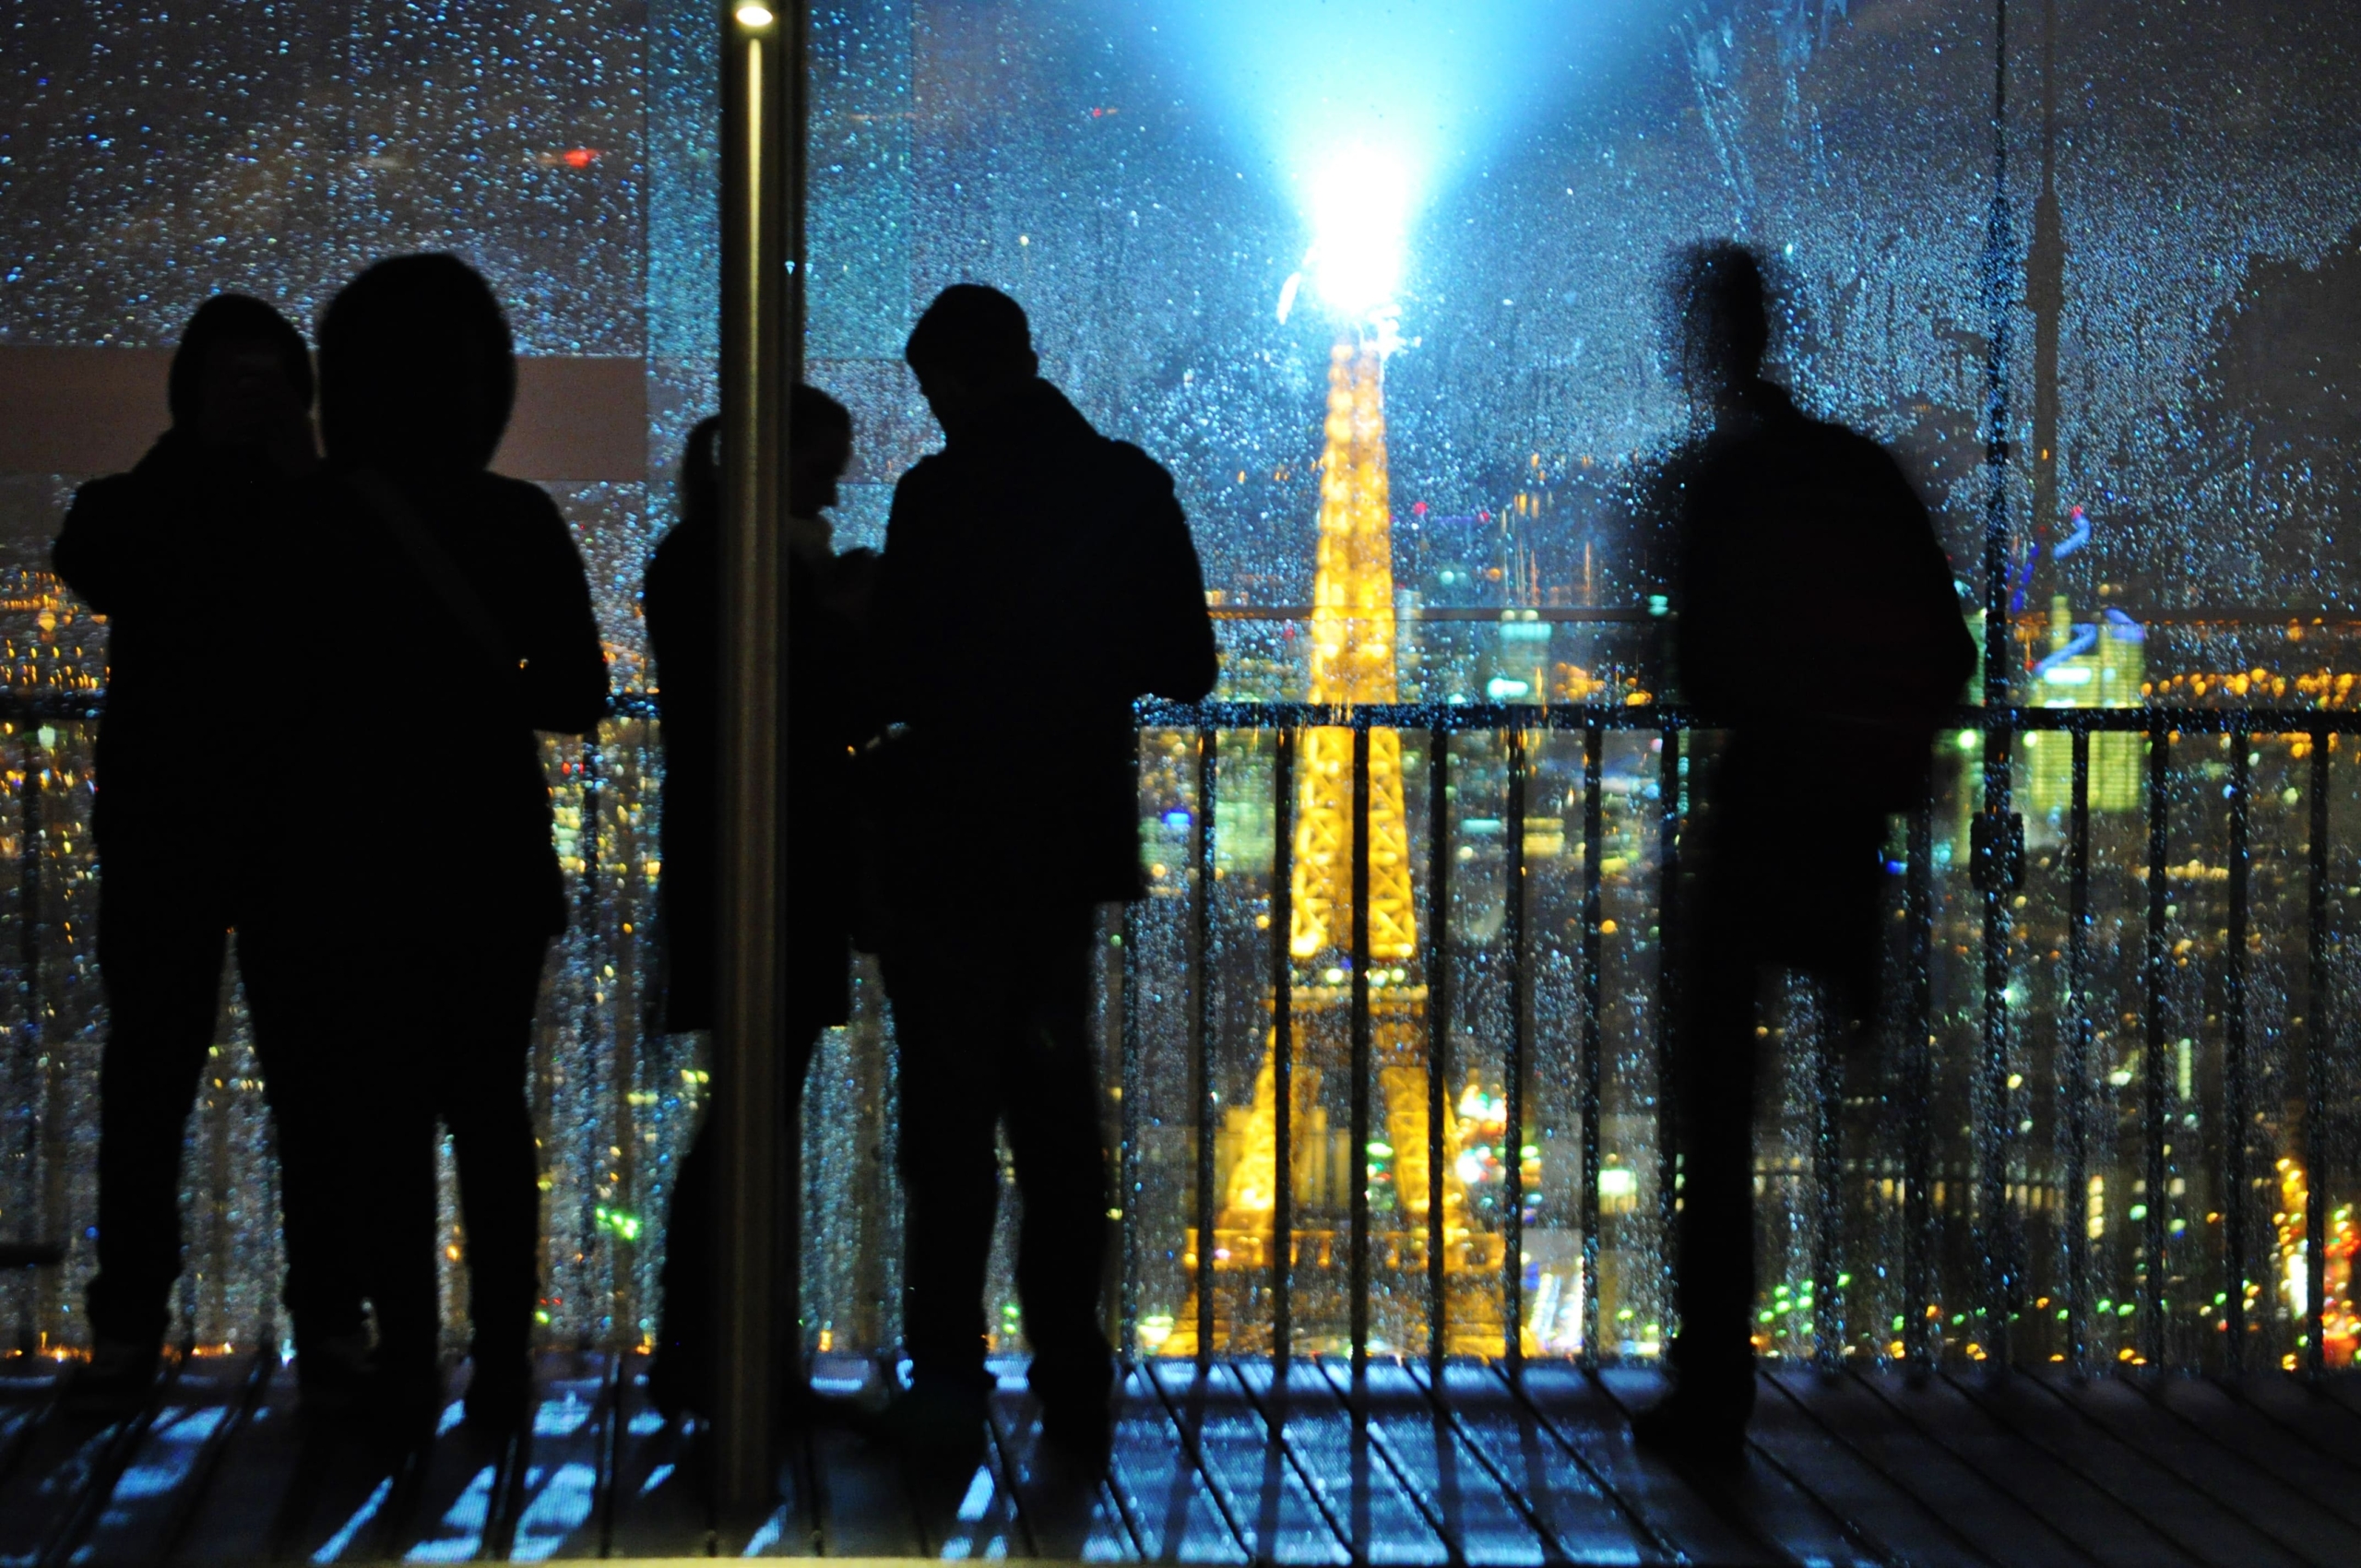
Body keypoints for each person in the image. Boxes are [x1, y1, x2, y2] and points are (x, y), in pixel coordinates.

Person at [242, 255, 609, 1437]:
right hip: (488, 858)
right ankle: (500, 1362)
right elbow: (577, 695)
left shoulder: (301, 522)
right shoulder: (516, 519)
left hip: (339, 864)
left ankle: (405, 1357)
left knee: (384, 1120)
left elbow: (258, 696)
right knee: (492, 1116)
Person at [867, 284, 1217, 1468]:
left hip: (950, 844)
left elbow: (894, 676)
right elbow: (1189, 662)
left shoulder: (935, 496)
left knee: (948, 1128)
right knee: (1057, 1120)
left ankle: (948, 1381)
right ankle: (1072, 1371)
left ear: (952, 383)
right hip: (1062, 844)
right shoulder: (1126, 485)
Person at [1640, 243, 1975, 1469]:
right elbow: (1946, 648)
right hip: (1843, 824)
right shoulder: (1855, 472)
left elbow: (1696, 670)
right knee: (1883, 1089)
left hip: (1756, 815)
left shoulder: (1720, 481)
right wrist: (1879, 759)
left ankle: (1713, 1384)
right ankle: (1966, 1340)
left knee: (1717, 1119)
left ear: (1702, 344)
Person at [53, 295, 344, 1408]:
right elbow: (98, 555)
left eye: (266, 379)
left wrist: (262, 461)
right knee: (291, 1088)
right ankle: (327, 1328)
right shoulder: (201, 508)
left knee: (157, 1082)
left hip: (178, 826)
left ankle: (132, 1331)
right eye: (233, 379)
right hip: (270, 831)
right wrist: (272, 465)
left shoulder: (176, 503)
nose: (249, 397)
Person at [643, 388, 869, 1420]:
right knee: (752, 1120)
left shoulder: (706, 556)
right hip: (771, 869)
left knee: (747, 1115)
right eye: (823, 465)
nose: (837, 484)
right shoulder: (744, 567)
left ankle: (715, 1351)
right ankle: (726, 1356)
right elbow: (802, 697)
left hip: (739, 865)